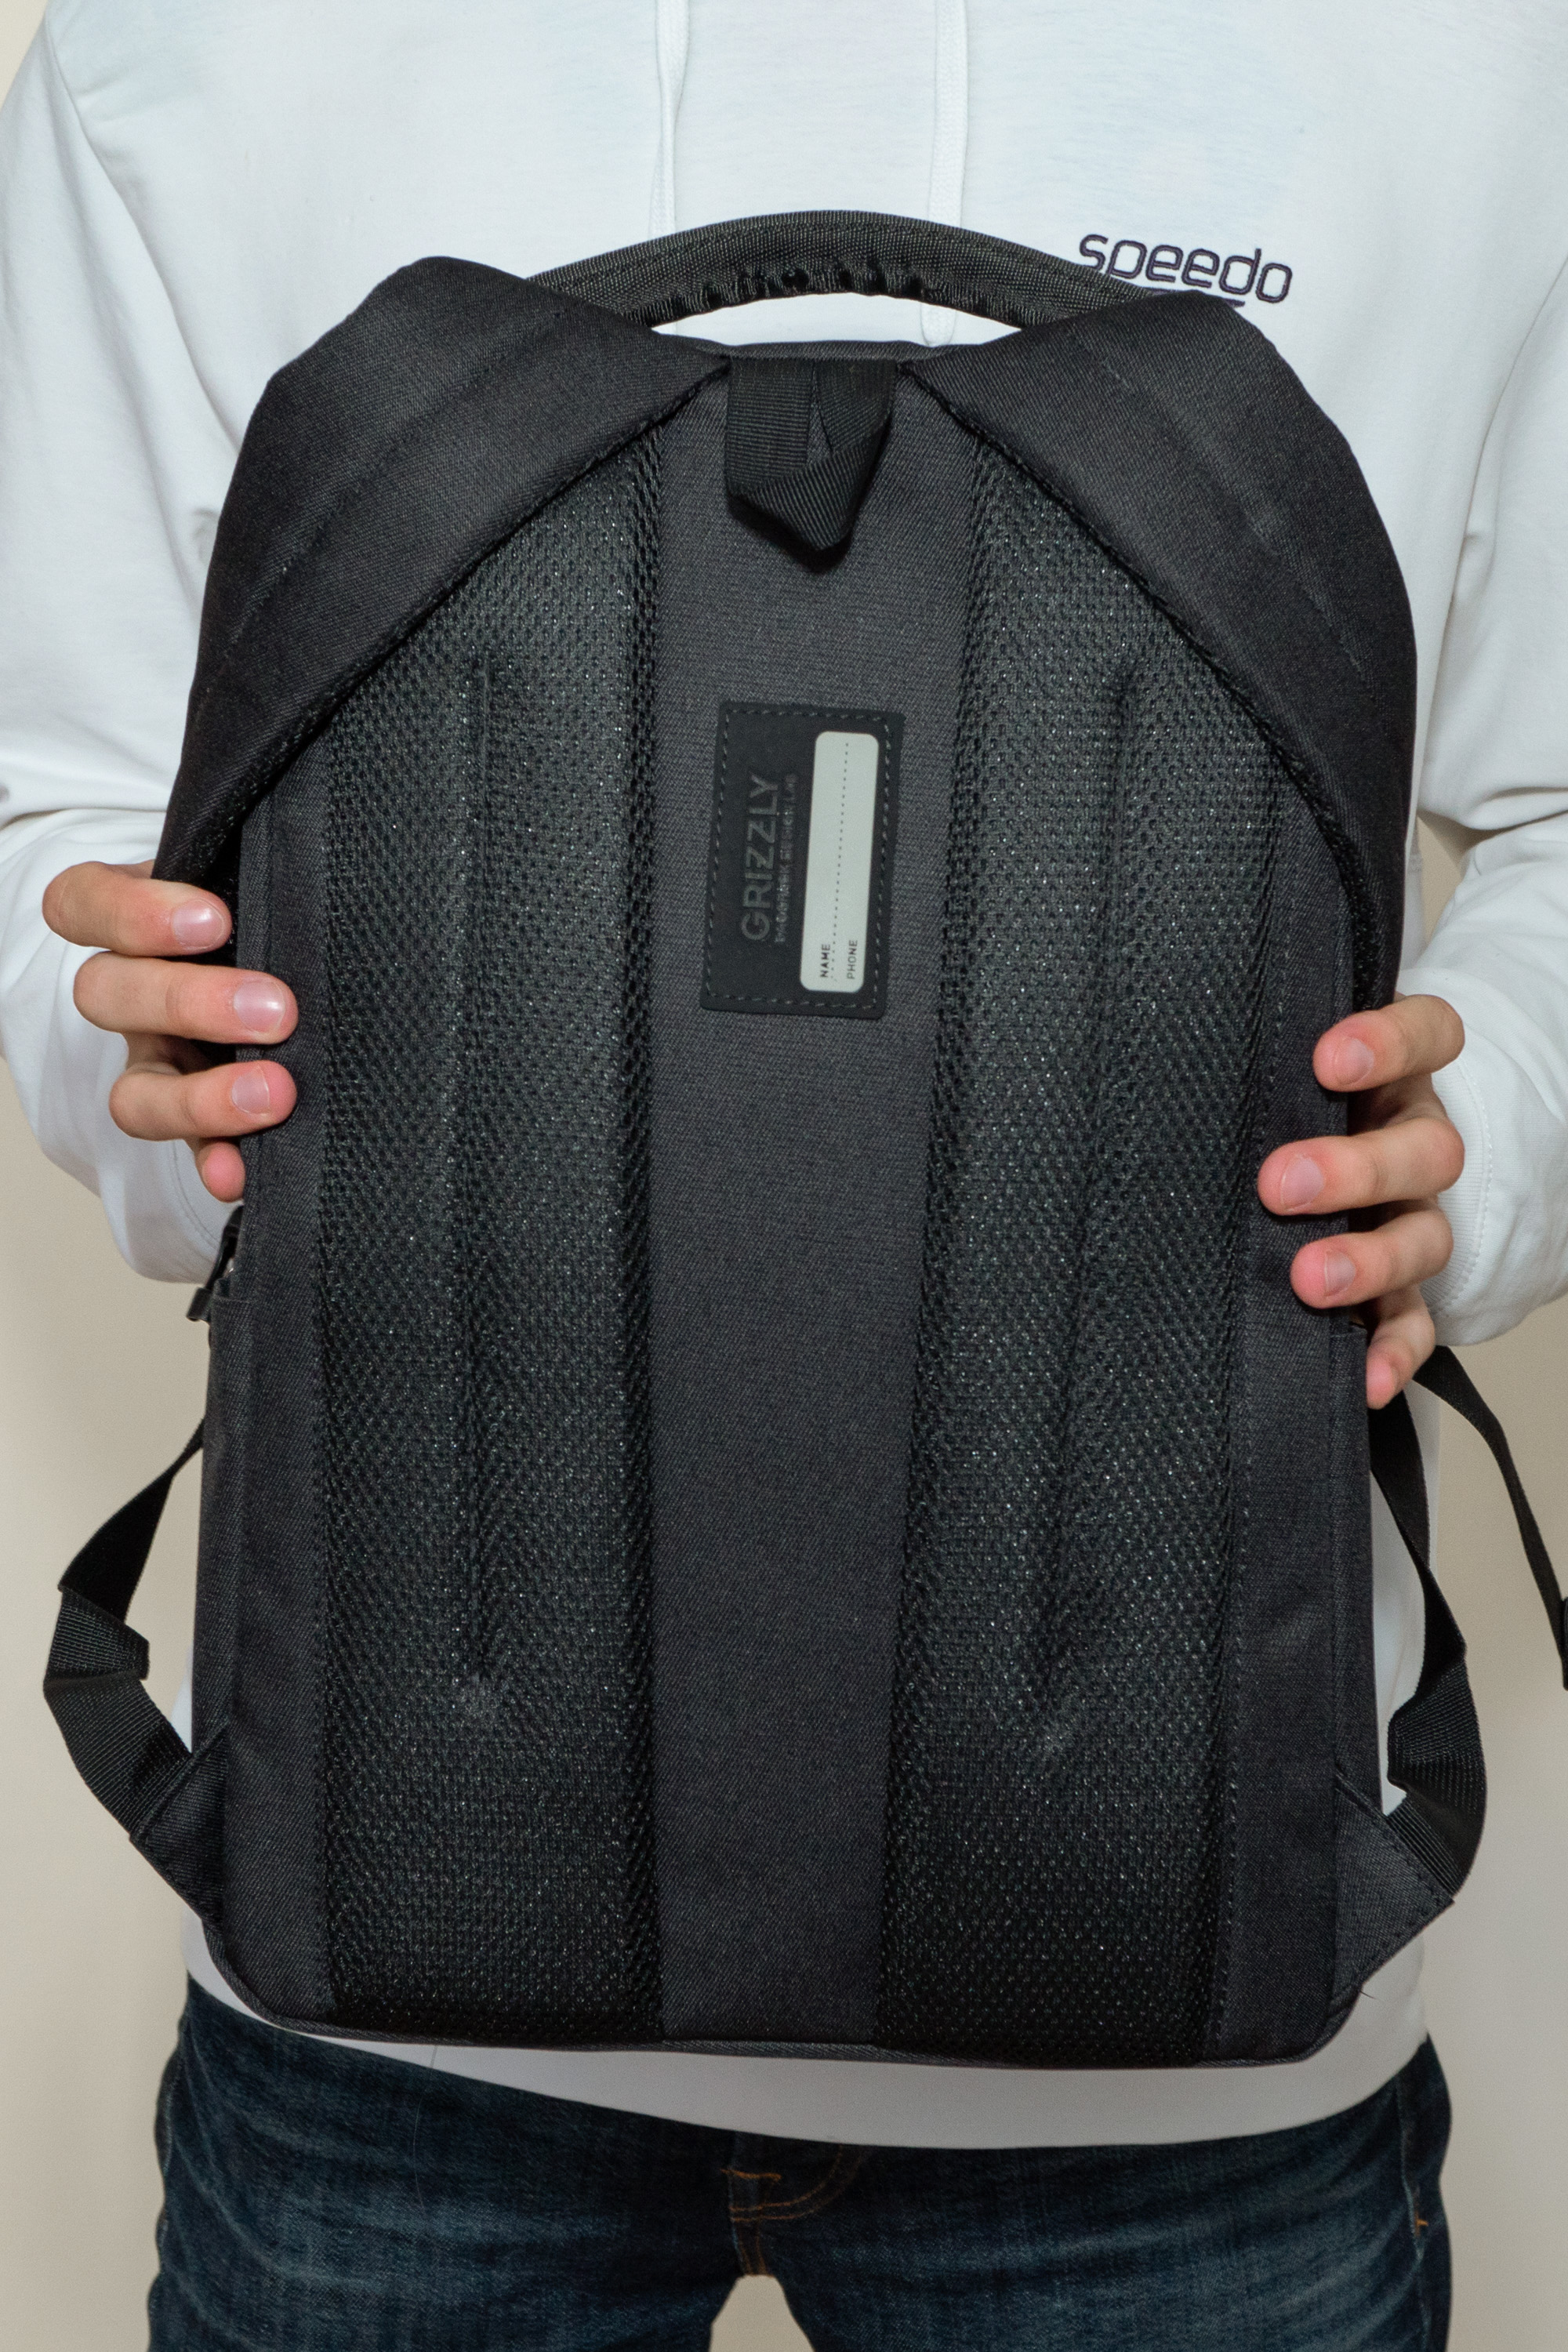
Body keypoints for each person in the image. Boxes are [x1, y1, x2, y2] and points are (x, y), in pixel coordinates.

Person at [3, 4, 1566, 2346]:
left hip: (1187, 2058)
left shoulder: (1473, 58)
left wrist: (1482, 1144)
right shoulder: (185, 48)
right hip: (391, 2013)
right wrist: (137, 1048)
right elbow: (64, 791)